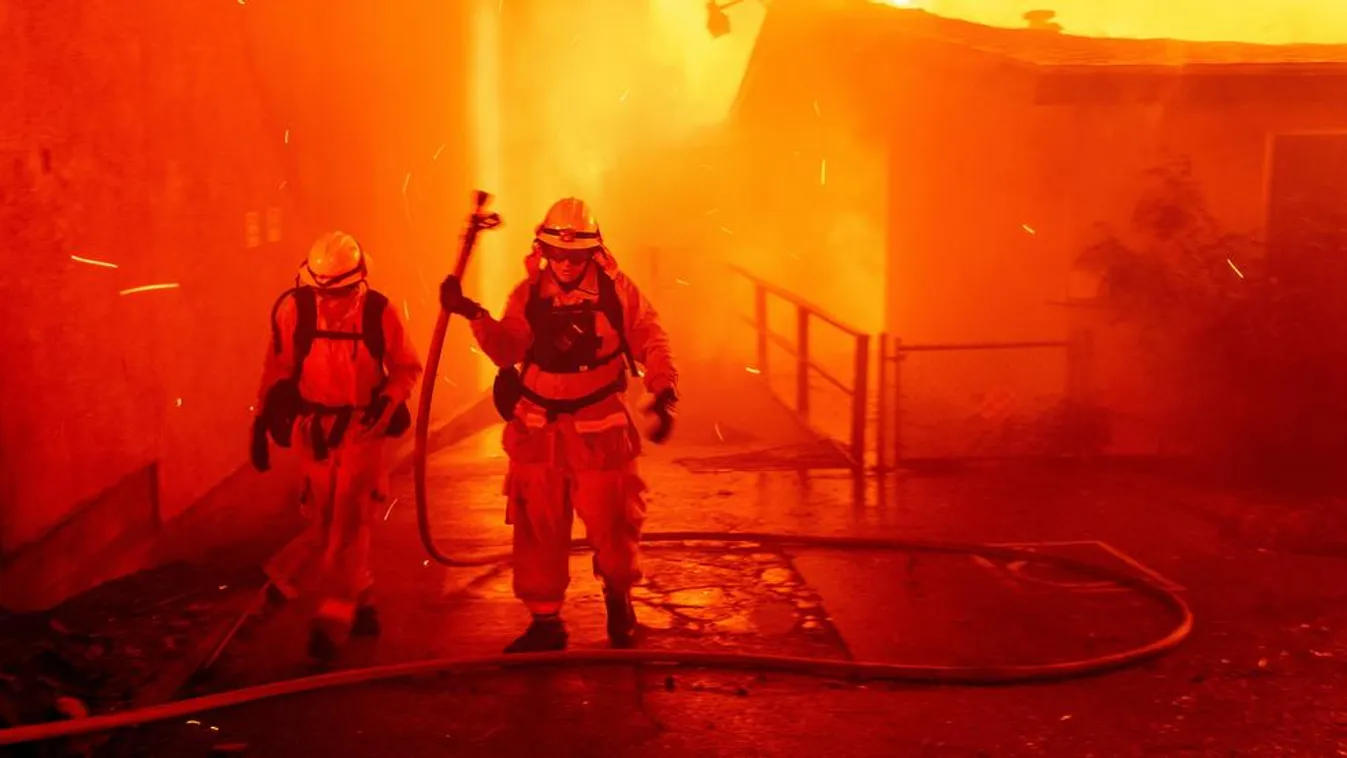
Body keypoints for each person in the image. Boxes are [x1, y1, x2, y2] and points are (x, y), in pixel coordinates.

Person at [439, 197, 678, 652]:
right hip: (538, 431)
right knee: (537, 527)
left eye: (576, 255)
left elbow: (651, 337)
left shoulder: (616, 292)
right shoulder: (527, 294)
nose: (566, 264)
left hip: (600, 430)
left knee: (613, 522)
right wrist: (473, 314)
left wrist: (664, 390)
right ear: (543, 249)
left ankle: (618, 598)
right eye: (557, 254)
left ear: (593, 251)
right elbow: (508, 349)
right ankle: (546, 621)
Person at [250, 230, 423, 662]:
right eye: (322, 292)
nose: (330, 301)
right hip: (314, 431)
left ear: (359, 280)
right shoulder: (295, 311)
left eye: (339, 293)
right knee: (325, 519)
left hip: (362, 429)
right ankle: (363, 599)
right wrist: (262, 419)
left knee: (347, 520)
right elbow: (277, 368)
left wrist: (388, 398)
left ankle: (332, 620)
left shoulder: (379, 312)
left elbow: (406, 366)